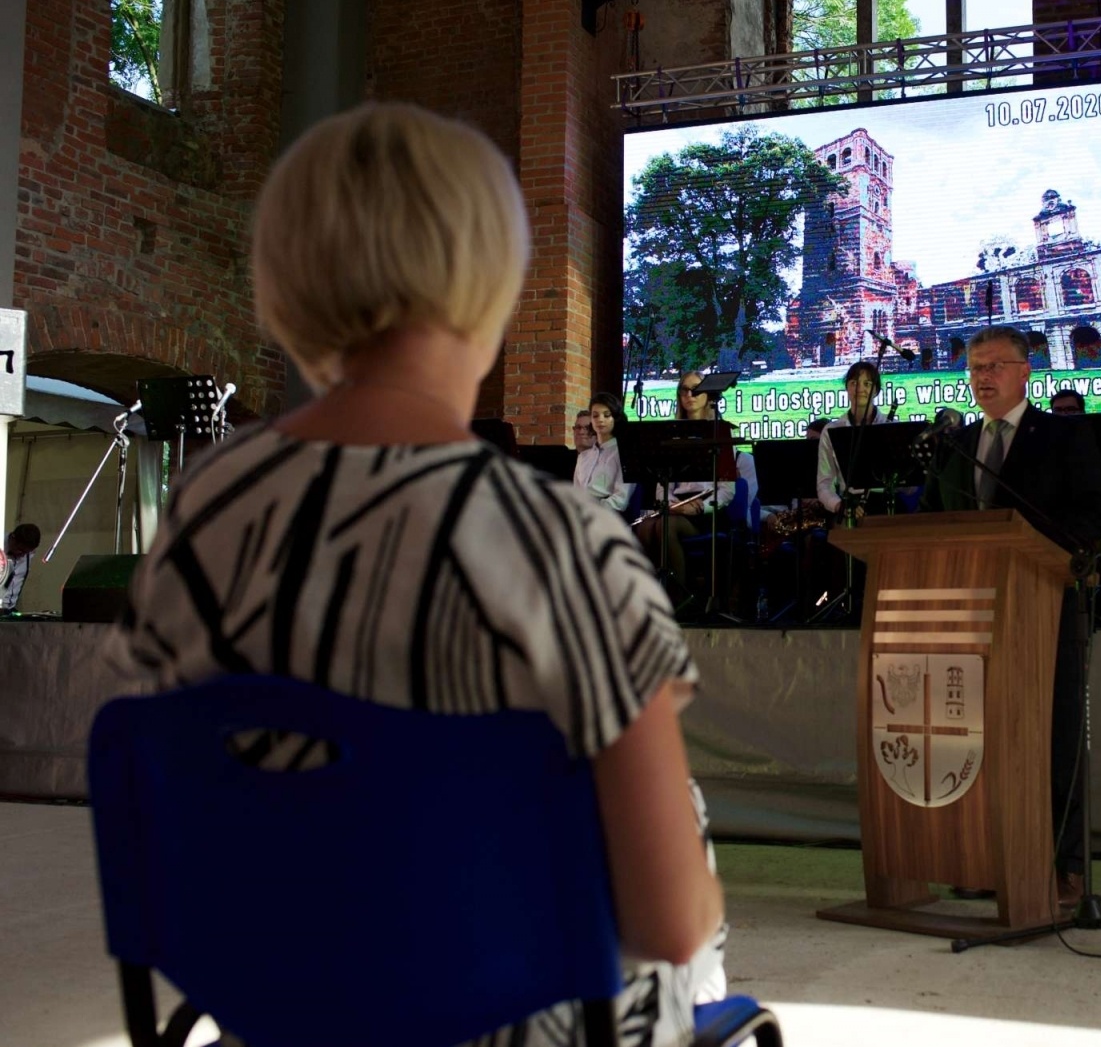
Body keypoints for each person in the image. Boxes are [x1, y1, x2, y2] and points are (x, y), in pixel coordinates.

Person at [102, 103, 723, 1047]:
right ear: (493, 283)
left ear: (285, 287)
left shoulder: (202, 509)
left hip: (282, 1016)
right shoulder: (563, 538)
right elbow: (668, 923)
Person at [920, 325, 1101, 912]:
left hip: (1045, 603)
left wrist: (1033, 552)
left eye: (995, 366)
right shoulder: (955, 445)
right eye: (975, 367)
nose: (982, 377)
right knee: (978, 737)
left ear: (1025, 371)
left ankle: (1065, 867)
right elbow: (932, 517)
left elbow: (1093, 514)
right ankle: (984, 857)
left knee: (1053, 738)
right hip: (970, 611)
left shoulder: (1062, 434)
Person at [634, 371, 736, 600]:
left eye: (696, 390)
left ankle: (679, 598)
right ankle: (650, 598)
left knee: (665, 527)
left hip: (707, 510)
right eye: (684, 390)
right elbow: (663, 482)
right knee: (643, 527)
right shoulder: (671, 433)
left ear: (708, 395)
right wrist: (670, 505)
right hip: (676, 506)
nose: (689, 395)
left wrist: (700, 507)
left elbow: (728, 490)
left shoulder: (721, 433)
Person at [816, 360, 887, 522]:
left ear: (876, 391)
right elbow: (824, 483)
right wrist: (839, 505)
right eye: (854, 383)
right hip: (849, 505)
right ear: (847, 388)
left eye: (867, 383)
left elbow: (909, 487)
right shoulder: (832, 430)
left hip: (885, 505)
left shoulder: (890, 427)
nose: (860, 389)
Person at [574, 391, 634, 513]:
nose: (600, 420)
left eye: (606, 415)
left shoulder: (625, 454)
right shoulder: (583, 456)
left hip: (607, 514)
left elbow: (620, 500)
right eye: (595, 416)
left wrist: (591, 509)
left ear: (615, 418)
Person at [1, 523, 41, 613]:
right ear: (12, 539)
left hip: (9, 611)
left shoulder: (29, 553)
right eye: (20, 550)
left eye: (26, 552)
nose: (22, 555)